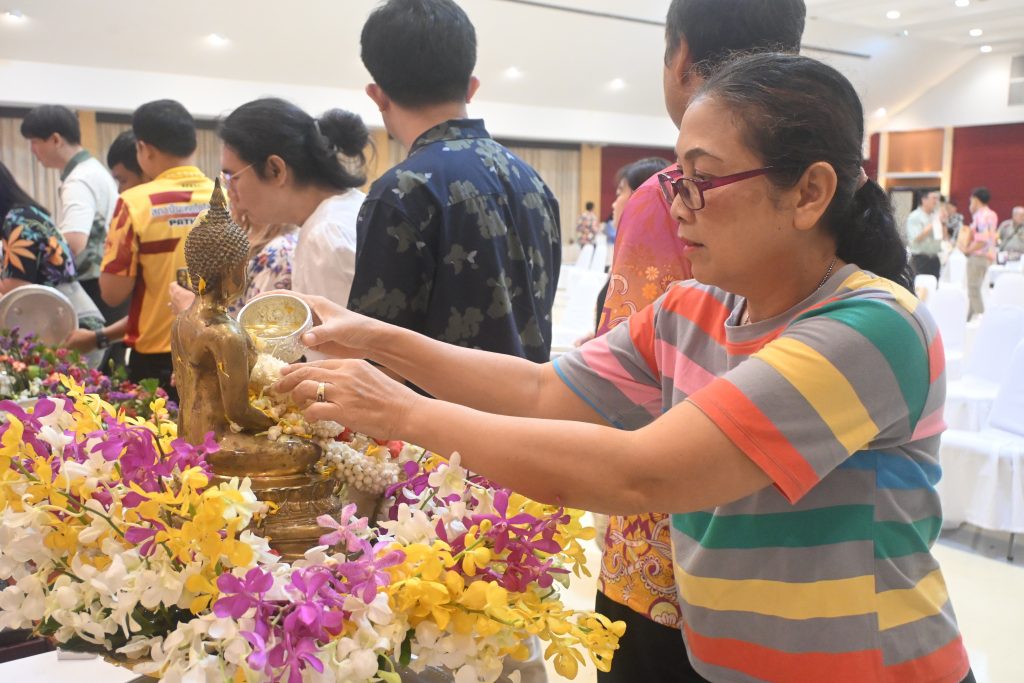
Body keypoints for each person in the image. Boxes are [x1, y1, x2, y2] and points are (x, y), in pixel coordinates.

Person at [274, 53, 974, 683]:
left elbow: (641, 473)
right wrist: (376, 338)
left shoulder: (872, 328)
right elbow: (540, 390)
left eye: (702, 181)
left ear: (810, 193)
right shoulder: (692, 309)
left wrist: (401, 410)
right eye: (677, 180)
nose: (677, 207)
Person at [594, 1, 809, 677]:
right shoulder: (829, 188)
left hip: (670, 563)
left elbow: (620, 394)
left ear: (680, 56)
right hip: (799, 576)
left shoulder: (669, 197)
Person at [351, 0, 562, 364]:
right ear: (471, 88)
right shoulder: (533, 182)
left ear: (377, 95)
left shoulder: (400, 193)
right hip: (532, 398)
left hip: (434, 405)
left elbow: (378, 361)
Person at [215, 97, 367, 328]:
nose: (230, 192)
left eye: (232, 177)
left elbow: (339, 345)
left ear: (275, 170)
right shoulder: (347, 209)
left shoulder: (325, 235)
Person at [99, 99, 214, 397]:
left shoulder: (133, 203)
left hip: (158, 354)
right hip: (218, 346)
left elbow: (112, 294)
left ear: (144, 148)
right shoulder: (226, 195)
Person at [20, 105, 119, 320]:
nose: (32, 150)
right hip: (108, 280)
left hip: (93, 287)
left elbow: (74, 242)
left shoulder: (78, 180)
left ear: (56, 140)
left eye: (34, 141)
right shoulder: (93, 169)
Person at [0, 161, 104, 353]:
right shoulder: (22, 215)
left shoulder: (18, 220)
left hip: (71, 331)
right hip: (55, 327)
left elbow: (17, 291)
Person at [168, 209, 299, 315]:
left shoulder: (279, 252)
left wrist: (192, 310)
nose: (229, 190)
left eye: (235, 180)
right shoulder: (243, 232)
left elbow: (257, 334)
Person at [961, 187, 998, 318]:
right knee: (975, 287)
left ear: (976, 200)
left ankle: (981, 317)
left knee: (973, 288)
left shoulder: (981, 215)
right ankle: (970, 317)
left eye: (971, 200)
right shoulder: (992, 214)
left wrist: (967, 250)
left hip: (978, 256)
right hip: (986, 256)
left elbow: (982, 240)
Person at [905, 189, 943, 279]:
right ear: (924, 200)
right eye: (933, 198)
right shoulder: (915, 216)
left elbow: (941, 236)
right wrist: (933, 223)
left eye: (937, 199)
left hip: (934, 258)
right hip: (920, 259)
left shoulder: (935, 216)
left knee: (935, 284)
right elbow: (916, 238)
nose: (936, 201)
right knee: (920, 285)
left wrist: (943, 222)